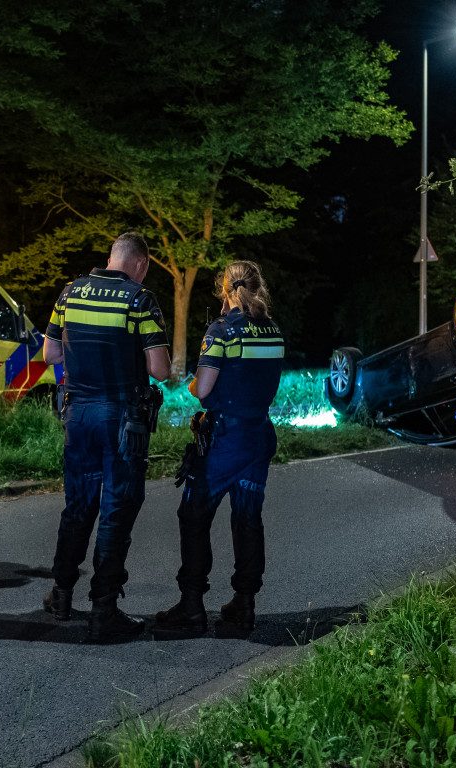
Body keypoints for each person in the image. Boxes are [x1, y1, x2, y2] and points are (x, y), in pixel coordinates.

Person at [42, 232, 171, 644]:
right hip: (121, 420)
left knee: (78, 507)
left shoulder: (69, 294)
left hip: (77, 414)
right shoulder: (140, 300)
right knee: (116, 509)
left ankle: (61, 594)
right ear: (141, 263)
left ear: (111, 257)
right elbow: (160, 370)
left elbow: (51, 355)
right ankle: (104, 609)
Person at [153, 260, 284, 639]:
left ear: (225, 290)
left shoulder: (222, 331)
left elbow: (204, 388)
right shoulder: (273, 331)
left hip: (224, 440)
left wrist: (194, 386)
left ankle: (192, 606)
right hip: (259, 436)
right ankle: (244, 605)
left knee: (193, 516)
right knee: (247, 518)